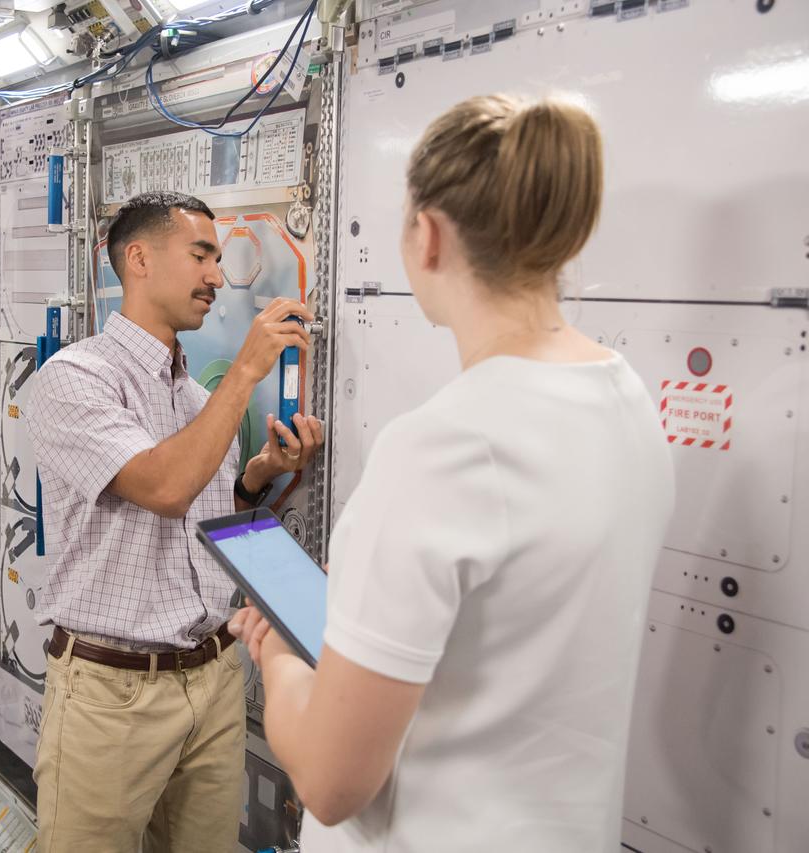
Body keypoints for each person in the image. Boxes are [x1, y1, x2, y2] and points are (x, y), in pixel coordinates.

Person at [230, 94, 675, 851]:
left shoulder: (442, 448)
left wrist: (275, 650)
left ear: (427, 236)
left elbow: (332, 783)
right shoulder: (628, 401)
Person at [25, 191, 325, 852]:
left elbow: (200, 511)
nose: (216, 276)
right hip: (115, 694)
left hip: (212, 681)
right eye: (201, 255)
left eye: (217, 258)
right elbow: (164, 486)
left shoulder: (192, 397)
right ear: (138, 259)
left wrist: (258, 474)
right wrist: (246, 370)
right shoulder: (76, 379)